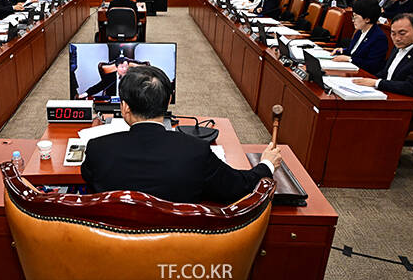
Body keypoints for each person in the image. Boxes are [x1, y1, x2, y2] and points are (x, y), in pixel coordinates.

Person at [81, 65, 281, 203]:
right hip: (175, 245)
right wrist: (267, 164)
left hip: (114, 245)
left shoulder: (97, 148)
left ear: (124, 107)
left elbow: (89, 178)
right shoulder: (196, 151)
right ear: (168, 102)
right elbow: (240, 187)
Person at [352, 13, 413, 130]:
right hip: (390, 100)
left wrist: (377, 83)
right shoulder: (398, 48)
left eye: (402, 33)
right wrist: (366, 81)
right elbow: (386, 74)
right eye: (393, 33)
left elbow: (412, 87)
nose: (397, 38)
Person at [331, 0, 388, 75]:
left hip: (363, 75)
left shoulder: (379, 38)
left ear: (367, 19)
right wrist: (342, 50)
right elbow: (354, 52)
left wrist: (349, 59)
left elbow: (372, 65)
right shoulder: (359, 32)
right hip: (351, 70)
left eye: (355, 17)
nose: (353, 20)